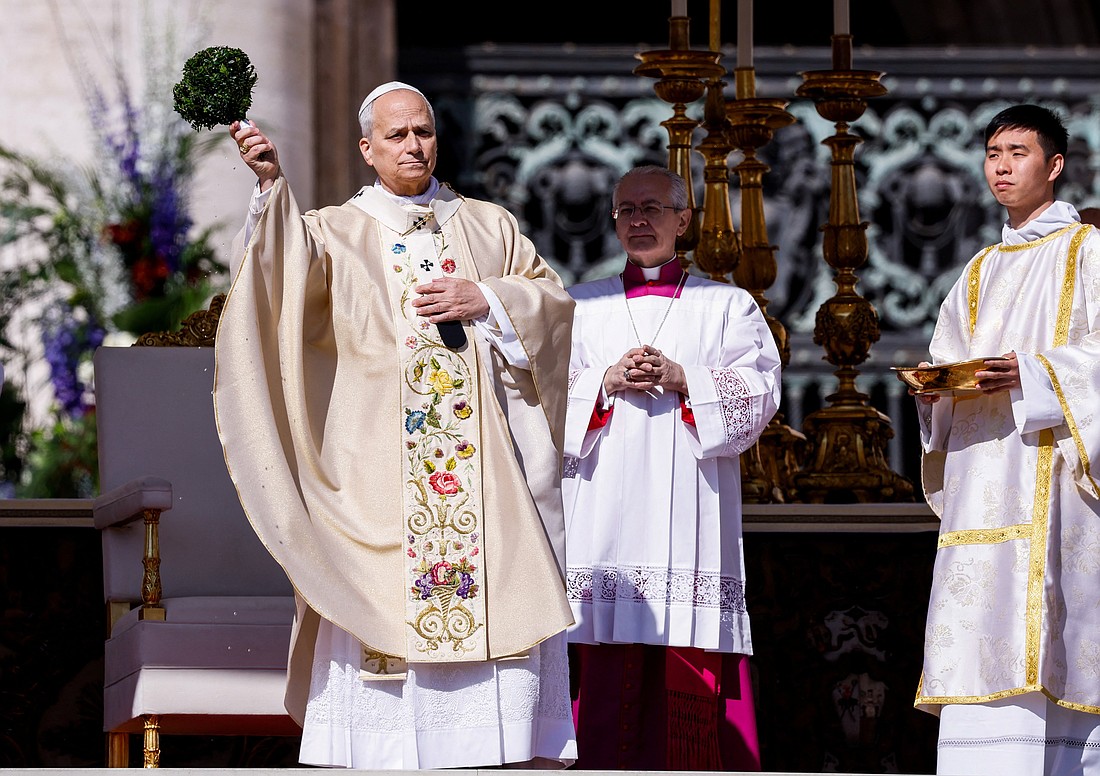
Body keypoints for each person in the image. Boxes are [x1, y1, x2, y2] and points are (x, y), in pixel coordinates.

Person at [213, 81, 577, 769]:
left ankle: (491, 752)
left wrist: (487, 297)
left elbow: (552, 305)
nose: (414, 145)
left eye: (424, 132)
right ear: (367, 148)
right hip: (378, 473)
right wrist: (270, 187)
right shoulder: (332, 230)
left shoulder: (488, 225)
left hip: (486, 483)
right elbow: (273, 275)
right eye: (397, 135)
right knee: (379, 610)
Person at [561, 165, 782, 770]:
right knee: (598, 662)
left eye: (653, 208)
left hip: (691, 508)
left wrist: (685, 379)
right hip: (603, 510)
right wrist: (602, 382)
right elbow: (541, 397)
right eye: (625, 209)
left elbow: (761, 391)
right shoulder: (580, 303)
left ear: (683, 220)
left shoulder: (727, 304)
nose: (638, 220)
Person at [905, 104, 1100, 774]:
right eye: (992, 153)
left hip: (1054, 482)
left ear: (1053, 166)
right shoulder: (980, 270)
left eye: (1018, 152)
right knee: (981, 632)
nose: (1002, 166)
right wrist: (934, 391)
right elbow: (948, 355)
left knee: (1051, 636)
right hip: (981, 482)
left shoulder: (1089, 251)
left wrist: (1037, 372)